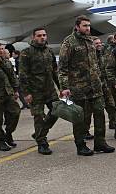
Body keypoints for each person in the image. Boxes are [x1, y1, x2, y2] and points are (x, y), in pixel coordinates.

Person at [21, 27, 88, 155]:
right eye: (39, 35)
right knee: (38, 117)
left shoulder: (49, 51)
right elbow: (23, 74)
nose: (42, 37)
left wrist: (62, 88)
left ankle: (40, 133)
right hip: (35, 92)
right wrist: (26, 93)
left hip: (50, 90)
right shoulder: (26, 52)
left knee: (57, 112)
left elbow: (54, 72)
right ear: (33, 37)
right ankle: (42, 143)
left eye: (44, 35)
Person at [58, 16, 114, 154]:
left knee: (100, 114)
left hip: (95, 87)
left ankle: (100, 143)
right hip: (78, 88)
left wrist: (102, 81)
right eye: (85, 26)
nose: (88, 28)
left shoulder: (91, 41)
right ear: (77, 26)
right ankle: (80, 145)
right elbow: (62, 67)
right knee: (80, 118)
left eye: (89, 25)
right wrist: (64, 87)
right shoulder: (69, 42)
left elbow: (97, 63)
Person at [93, 37, 116, 132]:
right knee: (92, 111)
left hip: (104, 85)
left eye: (100, 43)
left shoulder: (102, 55)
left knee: (111, 105)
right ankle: (85, 131)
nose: (99, 45)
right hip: (94, 88)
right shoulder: (90, 57)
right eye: (96, 43)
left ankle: (113, 123)